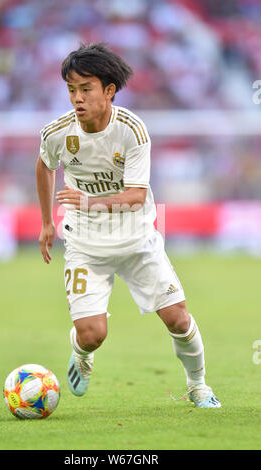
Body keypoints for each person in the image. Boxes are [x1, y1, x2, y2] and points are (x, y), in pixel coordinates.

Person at [36, 43, 221, 408]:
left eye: (85, 89)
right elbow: (45, 165)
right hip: (86, 244)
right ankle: (83, 357)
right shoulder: (57, 132)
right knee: (91, 335)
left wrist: (88, 201)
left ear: (108, 91)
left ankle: (198, 385)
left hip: (137, 240)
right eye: (71, 90)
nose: (77, 98)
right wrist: (46, 222)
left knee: (178, 319)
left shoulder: (132, 130)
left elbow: (136, 196)